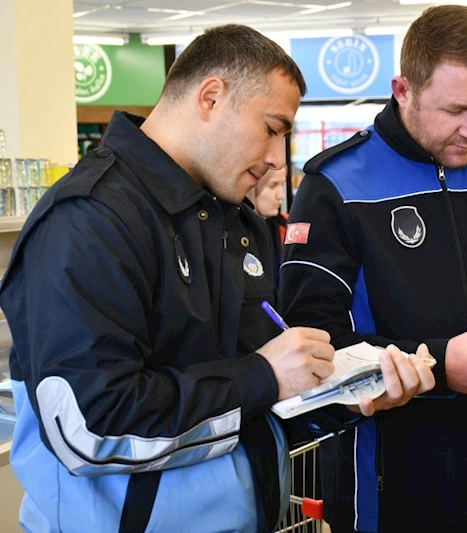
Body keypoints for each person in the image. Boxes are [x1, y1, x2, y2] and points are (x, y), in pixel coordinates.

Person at [0, 24, 435, 533]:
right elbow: (90, 425)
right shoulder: (90, 220)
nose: (277, 158)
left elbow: (253, 404)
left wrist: (344, 396)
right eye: (271, 128)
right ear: (211, 97)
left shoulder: (235, 221)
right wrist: (264, 374)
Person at [280, 6, 467, 532]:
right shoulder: (336, 186)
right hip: (392, 485)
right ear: (403, 89)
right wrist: (440, 366)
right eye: (456, 108)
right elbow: (313, 344)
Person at [247, 166, 289, 284]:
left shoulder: (288, 226)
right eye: (272, 185)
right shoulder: (233, 232)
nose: (281, 195)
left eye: (282, 185)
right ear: (252, 187)